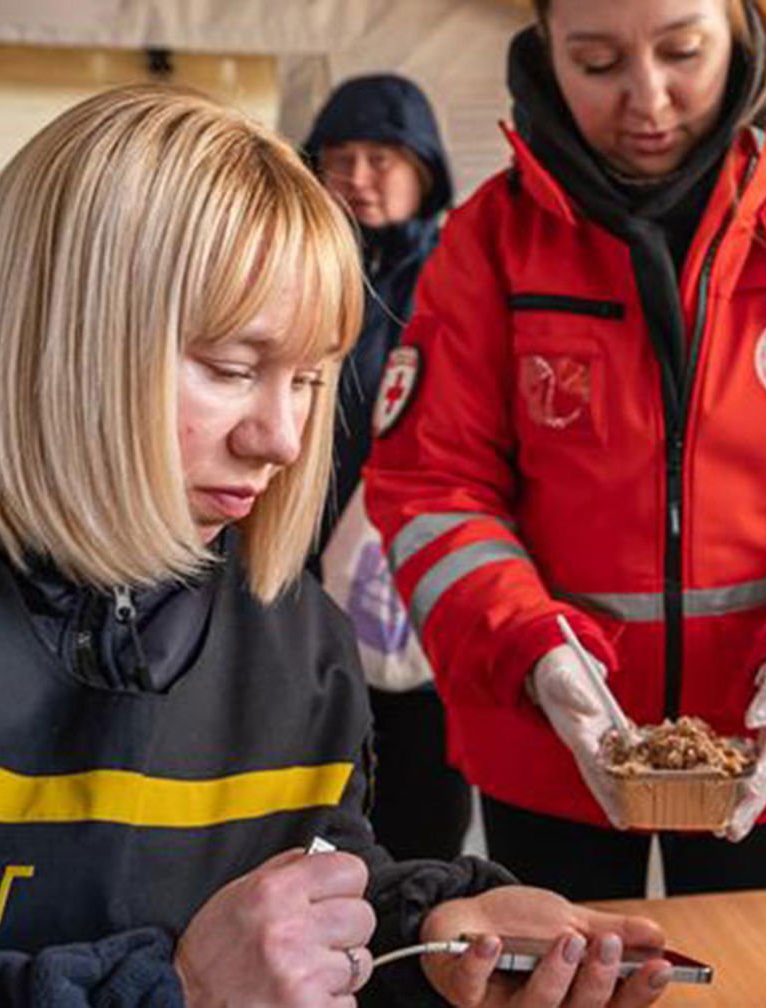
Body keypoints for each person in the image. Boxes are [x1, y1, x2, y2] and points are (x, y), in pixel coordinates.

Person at [0, 83, 678, 1008]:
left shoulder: (296, 639)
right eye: (231, 369)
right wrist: (174, 992)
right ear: (56, 331)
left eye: (308, 381)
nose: (284, 440)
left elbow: (294, 913)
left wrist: (427, 945)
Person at [365, 0, 766, 901]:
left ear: (740, 33)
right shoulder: (490, 244)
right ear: (544, 51)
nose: (648, 99)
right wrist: (533, 650)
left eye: (682, 51)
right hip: (548, 743)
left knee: (753, 990)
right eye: (598, 62)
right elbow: (432, 487)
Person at [304, 73, 474, 864]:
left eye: (382, 157)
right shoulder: (303, 268)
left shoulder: (460, 275)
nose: (360, 178)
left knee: (423, 776)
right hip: (300, 567)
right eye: (340, 158)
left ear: (425, 166)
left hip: (418, 570)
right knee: (312, 775)